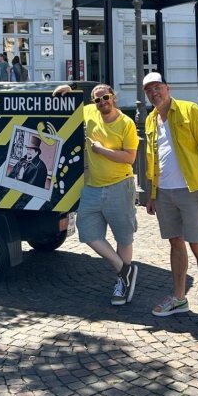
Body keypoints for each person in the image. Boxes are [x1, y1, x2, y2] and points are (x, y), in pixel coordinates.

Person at [143, 72, 198, 330]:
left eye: (157, 88)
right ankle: (179, 298)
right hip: (164, 193)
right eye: (149, 90)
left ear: (167, 88)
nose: (154, 93)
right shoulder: (150, 120)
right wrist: (152, 195)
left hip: (189, 189)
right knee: (175, 244)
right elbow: (153, 158)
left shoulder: (190, 111)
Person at [54, 82, 139, 306]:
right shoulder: (90, 111)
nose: (102, 102)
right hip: (93, 187)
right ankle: (124, 270)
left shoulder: (126, 123)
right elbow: (84, 90)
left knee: (123, 236)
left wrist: (101, 150)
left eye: (105, 97)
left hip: (120, 185)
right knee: (88, 232)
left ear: (114, 97)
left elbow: (130, 158)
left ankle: (122, 284)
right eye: (97, 99)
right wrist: (68, 86)